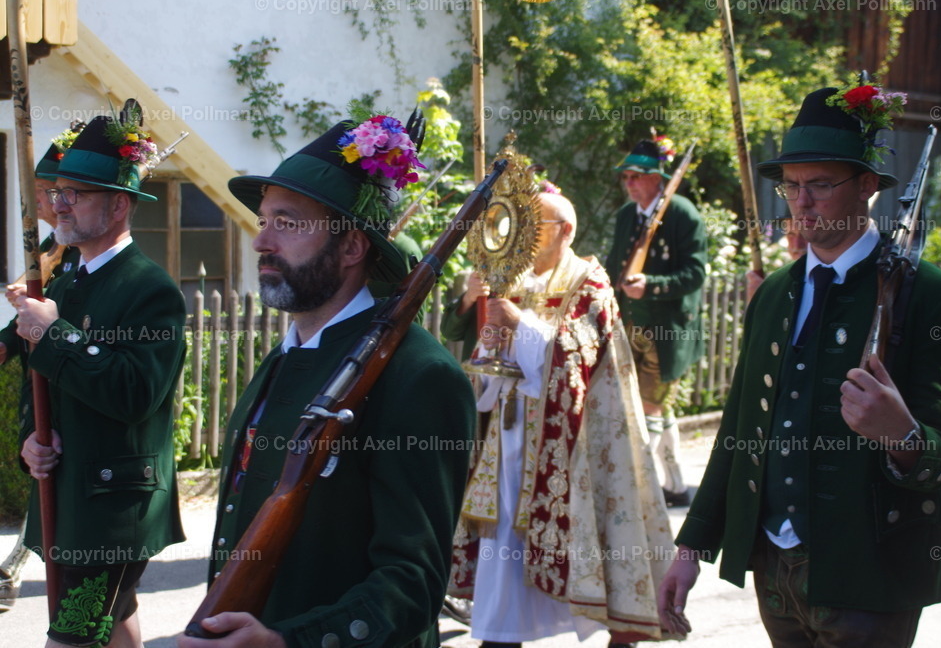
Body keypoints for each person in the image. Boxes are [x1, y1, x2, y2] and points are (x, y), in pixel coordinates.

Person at [657, 85, 941, 647]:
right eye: (792, 186)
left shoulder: (931, 298)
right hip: (774, 568)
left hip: (870, 573)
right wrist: (692, 548)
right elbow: (738, 429)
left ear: (868, 186)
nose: (800, 203)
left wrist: (901, 433)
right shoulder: (774, 294)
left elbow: (939, 459)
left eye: (821, 184)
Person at [177, 117, 476, 648]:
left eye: (287, 223)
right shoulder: (286, 356)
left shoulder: (420, 376)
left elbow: (414, 585)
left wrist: (288, 642)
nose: (261, 241)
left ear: (352, 247)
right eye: (264, 219)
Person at [445, 182, 676, 648]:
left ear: (565, 230)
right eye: (519, 226)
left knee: (594, 542)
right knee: (502, 554)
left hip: (575, 450)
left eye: (534, 227)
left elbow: (576, 362)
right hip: (507, 449)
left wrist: (518, 325)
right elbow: (487, 376)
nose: (521, 237)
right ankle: (499, 636)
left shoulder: (589, 283)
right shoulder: (513, 282)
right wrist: (490, 347)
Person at [14, 111, 188, 647]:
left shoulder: (150, 288)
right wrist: (31, 436)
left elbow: (134, 394)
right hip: (72, 494)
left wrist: (55, 336)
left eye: (77, 194)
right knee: (117, 619)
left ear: (118, 204)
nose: (59, 204)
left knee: (72, 637)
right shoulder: (67, 282)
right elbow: (34, 376)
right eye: (59, 191)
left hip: (113, 508)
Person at [0, 132, 82, 612]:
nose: (38, 202)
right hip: (40, 382)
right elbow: (26, 321)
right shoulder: (54, 247)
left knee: (51, 492)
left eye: (44, 192)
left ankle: (13, 568)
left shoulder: (77, 252)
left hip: (64, 383)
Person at [605, 139, 708, 507]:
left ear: (657, 179)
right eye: (626, 177)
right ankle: (676, 485)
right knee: (652, 408)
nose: (630, 183)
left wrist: (652, 285)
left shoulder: (682, 213)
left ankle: (642, 492)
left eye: (637, 176)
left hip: (669, 332)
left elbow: (695, 274)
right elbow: (613, 265)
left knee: (647, 408)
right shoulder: (624, 217)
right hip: (631, 325)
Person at [745, 215, 808, 301]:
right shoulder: (785, 281)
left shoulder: (824, 282)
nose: (797, 245)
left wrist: (765, 298)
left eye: (804, 234)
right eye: (791, 234)